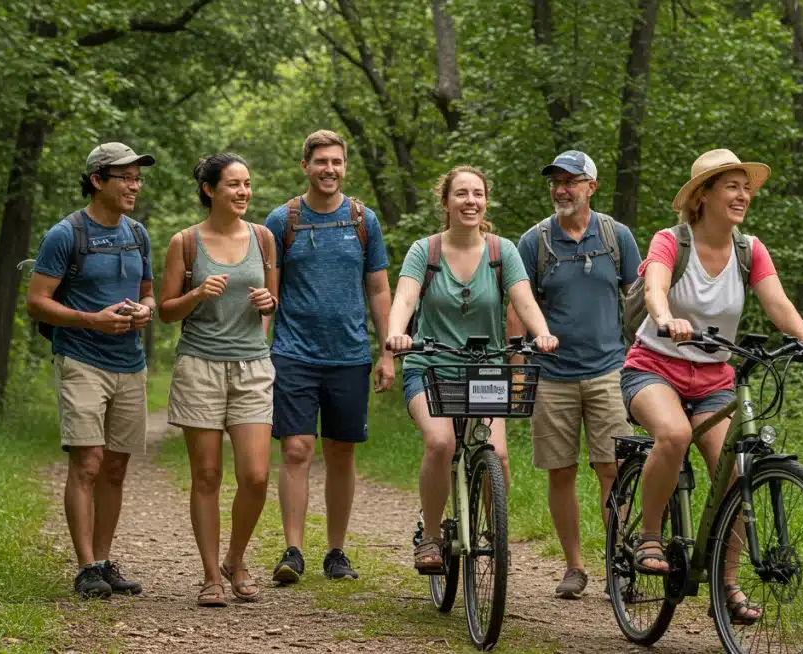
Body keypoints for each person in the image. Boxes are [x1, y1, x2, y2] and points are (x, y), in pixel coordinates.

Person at [623, 149, 803, 624]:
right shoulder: (671, 241)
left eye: (746, 187)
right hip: (653, 366)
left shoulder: (749, 249)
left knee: (738, 471)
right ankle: (650, 535)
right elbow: (655, 286)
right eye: (732, 186)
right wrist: (665, 317)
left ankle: (728, 582)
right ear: (703, 196)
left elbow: (776, 302)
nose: (743, 195)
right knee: (673, 436)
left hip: (715, 378)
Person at [386, 165, 559, 573]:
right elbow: (405, 299)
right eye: (461, 194)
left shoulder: (502, 252)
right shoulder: (423, 252)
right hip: (431, 368)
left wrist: (543, 334)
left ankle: (493, 534)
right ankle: (430, 535)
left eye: (478, 194)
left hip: (485, 372)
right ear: (445, 202)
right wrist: (396, 333)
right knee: (441, 443)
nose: (471, 201)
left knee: (496, 454)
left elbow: (524, 300)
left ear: (486, 201)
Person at [506, 151, 642, 599]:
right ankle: (574, 567)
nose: (562, 189)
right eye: (556, 182)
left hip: (608, 371)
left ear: (592, 187)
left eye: (572, 181)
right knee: (560, 472)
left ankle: (618, 564)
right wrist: (519, 368)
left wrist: (645, 360)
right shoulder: (534, 241)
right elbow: (518, 308)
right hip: (552, 376)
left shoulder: (616, 236)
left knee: (612, 469)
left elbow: (638, 300)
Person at [25, 142, 157, 598]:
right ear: (98, 180)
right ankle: (85, 567)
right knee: (88, 461)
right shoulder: (66, 234)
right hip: (81, 359)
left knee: (116, 467)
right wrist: (90, 319)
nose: (134, 185)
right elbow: (36, 301)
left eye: (137, 178)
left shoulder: (138, 234)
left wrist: (145, 310)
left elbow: (148, 293)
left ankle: (103, 562)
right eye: (126, 177)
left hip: (130, 363)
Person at [263, 129, 395, 583]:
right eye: (321, 161)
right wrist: (262, 352)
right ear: (305, 166)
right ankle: (293, 550)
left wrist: (386, 351)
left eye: (336, 162)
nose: (329, 169)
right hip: (293, 352)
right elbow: (269, 292)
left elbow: (378, 287)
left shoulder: (364, 220)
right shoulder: (282, 220)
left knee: (341, 452)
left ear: (344, 166)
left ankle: (336, 552)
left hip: (350, 353)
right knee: (296, 449)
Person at [157, 153, 279, 607]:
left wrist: (268, 302)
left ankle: (236, 558)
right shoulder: (185, 242)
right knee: (206, 474)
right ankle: (211, 576)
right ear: (210, 190)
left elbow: (272, 305)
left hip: (251, 366)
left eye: (247, 183)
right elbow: (166, 311)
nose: (243, 192)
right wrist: (194, 293)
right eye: (233, 184)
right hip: (199, 367)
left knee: (255, 475)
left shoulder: (264, 239)